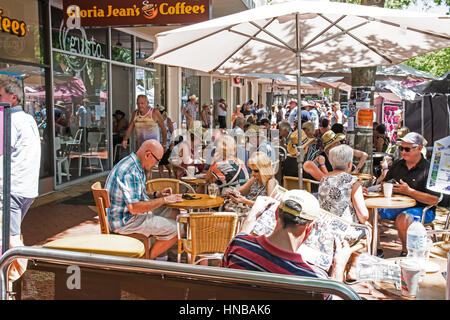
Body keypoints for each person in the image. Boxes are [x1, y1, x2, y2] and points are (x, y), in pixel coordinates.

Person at [220, 190, 352, 292]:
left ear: (276, 213)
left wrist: (251, 217)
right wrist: (338, 268)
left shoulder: (239, 247)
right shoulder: (315, 279)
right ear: (309, 227)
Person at [105, 139, 183, 260]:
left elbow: (136, 193)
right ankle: (147, 260)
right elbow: (134, 208)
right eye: (157, 161)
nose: (156, 165)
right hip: (125, 221)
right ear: (147, 154)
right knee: (179, 229)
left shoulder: (135, 164)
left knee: (174, 212)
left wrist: (157, 194)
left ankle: (160, 255)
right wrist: (164, 200)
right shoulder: (129, 171)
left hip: (128, 215)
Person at [0, 79, 41, 283]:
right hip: (28, 188)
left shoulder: (10, 120)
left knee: (10, 236)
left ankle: (13, 279)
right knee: (10, 233)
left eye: (0, 96)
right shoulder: (28, 119)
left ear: (13, 97)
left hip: (13, 187)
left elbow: (2, 152)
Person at [378, 132, 441, 257]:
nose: (403, 152)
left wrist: (409, 192)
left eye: (407, 149)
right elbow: (385, 182)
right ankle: (377, 249)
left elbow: (435, 200)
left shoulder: (428, 170)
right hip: (396, 205)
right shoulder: (398, 164)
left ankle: (406, 252)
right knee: (371, 212)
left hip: (422, 209)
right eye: (401, 148)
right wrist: (388, 186)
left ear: (419, 149)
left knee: (403, 218)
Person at [304, 144, 371, 243]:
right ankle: (364, 256)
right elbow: (363, 215)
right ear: (349, 164)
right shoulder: (353, 181)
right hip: (344, 233)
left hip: (324, 229)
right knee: (369, 228)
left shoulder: (324, 179)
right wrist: (365, 221)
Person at [121, 95, 167, 179]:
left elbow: (163, 129)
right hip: (141, 147)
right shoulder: (135, 113)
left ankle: (147, 188)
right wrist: (125, 139)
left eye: (142, 103)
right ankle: (146, 187)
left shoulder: (154, 112)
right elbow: (131, 126)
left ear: (147, 103)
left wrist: (164, 144)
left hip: (153, 148)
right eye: (138, 103)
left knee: (147, 169)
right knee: (142, 169)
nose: (140, 106)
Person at [158, 106, 174, 178]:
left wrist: (172, 143)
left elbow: (173, 132)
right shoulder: (156, 120)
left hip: (167, 143)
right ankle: (161, 175)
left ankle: (170, 171)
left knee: (165, 160)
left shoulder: (168, 120)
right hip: (158, 142)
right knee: (159, 160)